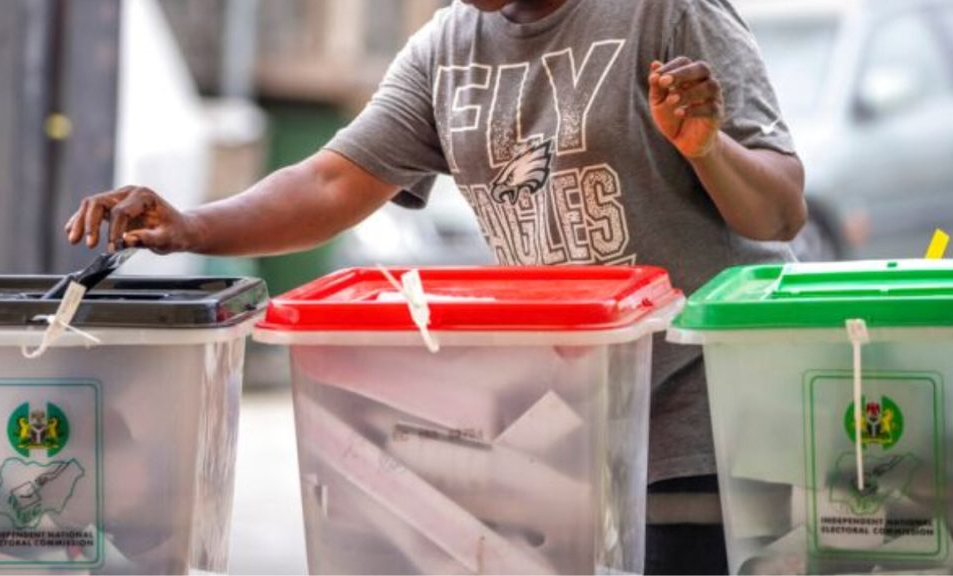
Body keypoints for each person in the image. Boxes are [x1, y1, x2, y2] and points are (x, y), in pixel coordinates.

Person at [66, 0, 805, 572]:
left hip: (702, 425)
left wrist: (708, 148)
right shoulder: (445, 49)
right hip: (567, 434)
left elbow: (779, 208)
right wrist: (191, 226)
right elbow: (330, 182)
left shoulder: (665, 13)